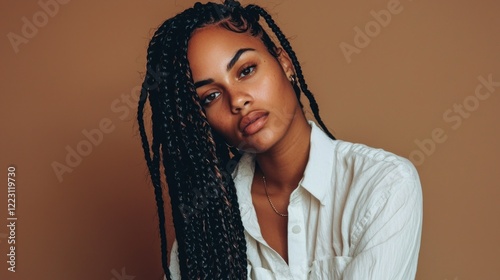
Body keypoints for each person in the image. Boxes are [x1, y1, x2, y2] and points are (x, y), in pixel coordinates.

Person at [137, 1, 423, 279]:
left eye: (246, 70)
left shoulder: (383, 185)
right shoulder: (206, 224)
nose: (237, 100)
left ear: (284, 63)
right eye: (211, 97)